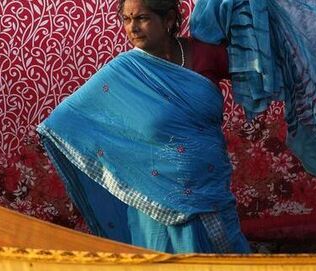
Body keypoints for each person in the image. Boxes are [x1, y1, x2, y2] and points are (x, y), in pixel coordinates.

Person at [37, 0, 251, 254]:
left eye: (142, 18)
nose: (132, 28)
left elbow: (258, 67)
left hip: (212, 190)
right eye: (126, 20)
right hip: (156, 202)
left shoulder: (203, 55)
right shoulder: (123, 73)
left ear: (169, 20)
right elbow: (65, 120)